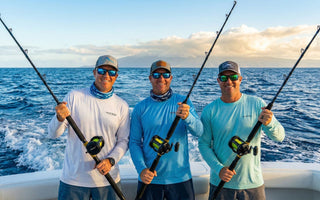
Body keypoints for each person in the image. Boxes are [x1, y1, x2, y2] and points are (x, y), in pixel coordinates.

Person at [198, 61, 285, 200]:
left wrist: (270, 123)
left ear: (240, 79)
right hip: (220, 183)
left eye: (233, 77)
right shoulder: (210, 110)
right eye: (223, 78)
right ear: (218, 81)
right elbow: (203, 144)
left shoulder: (257, 104)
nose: (229, 81)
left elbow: (280, 137)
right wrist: (219, 169)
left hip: (253, 184)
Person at [48, 55, 130, 200]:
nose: (106, 75)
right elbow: (53, 134)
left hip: (108, 180)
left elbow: (124, 141)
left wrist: (110, 160)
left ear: (116, 76)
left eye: (111, 72)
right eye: (102, 71)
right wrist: (59, 118)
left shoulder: (121, 105)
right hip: (73, 180)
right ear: (94, 72)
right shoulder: (74, 97)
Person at [129, 60, 203, 200]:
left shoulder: (184, 102)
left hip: (181, 178)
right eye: (156, 75)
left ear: (171, 78)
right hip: (150, 179)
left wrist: (188, 117)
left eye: (165, 74)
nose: (161, 79)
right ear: (150, 78)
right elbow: (134, 142)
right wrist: (141, 169)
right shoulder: (140, 108)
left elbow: (199, 132)